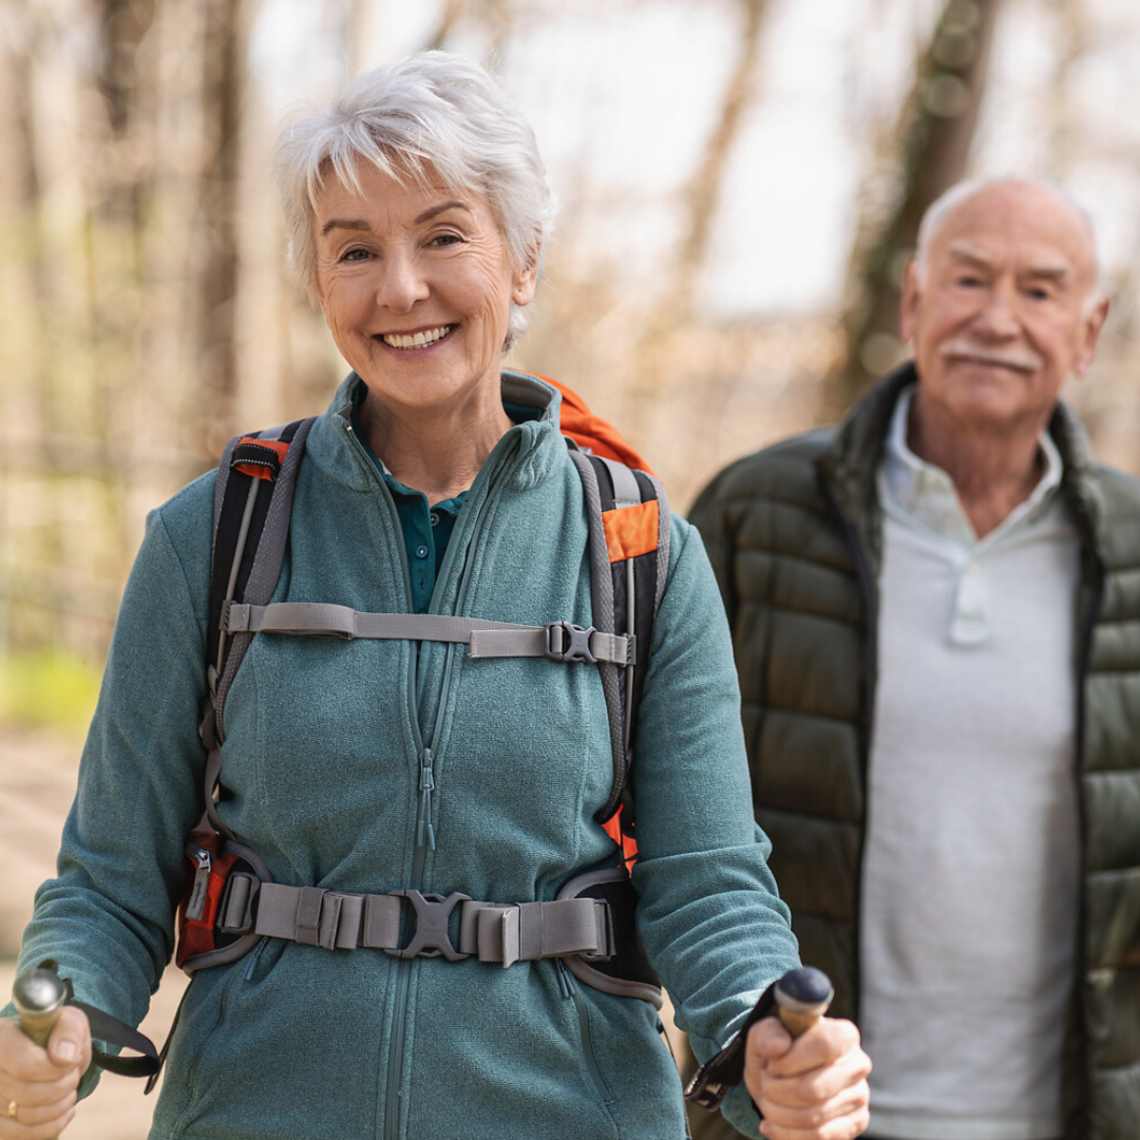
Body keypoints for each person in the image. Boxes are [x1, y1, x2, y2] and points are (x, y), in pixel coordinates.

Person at [0, 52, 869, 1140]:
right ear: (318, 282)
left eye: (444, 235)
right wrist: (60, 1014)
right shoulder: (213, 536)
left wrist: (762, 1036)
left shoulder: (643, 551)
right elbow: (109, 881)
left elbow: (710, 884)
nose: (400, 287)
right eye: (353, 249)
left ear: (525, 260)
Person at [688, 177, 1139, 1140]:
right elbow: (654, 818)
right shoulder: (755, 516)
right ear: (914, 303)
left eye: (1041, 290)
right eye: (969, 279)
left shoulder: (1135, 548)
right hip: (797, 1118)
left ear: (1089, 331)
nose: (998, 317)